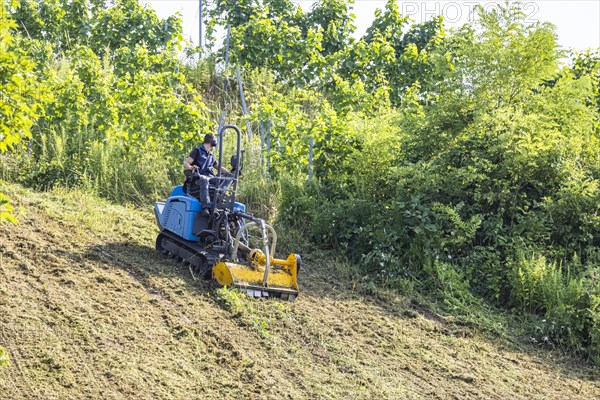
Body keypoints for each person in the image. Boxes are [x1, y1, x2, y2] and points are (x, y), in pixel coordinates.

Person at [183, 133, 234, 215]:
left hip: (211, 178)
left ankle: (219, 195)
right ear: (212, 141)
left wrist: (230, 173)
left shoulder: (211, 155)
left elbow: (219, 168)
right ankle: (205, 207)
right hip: (198, 178)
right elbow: (186, 163)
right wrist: (191, 168)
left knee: (230, 177)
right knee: (204, 179)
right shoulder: (197, 151)